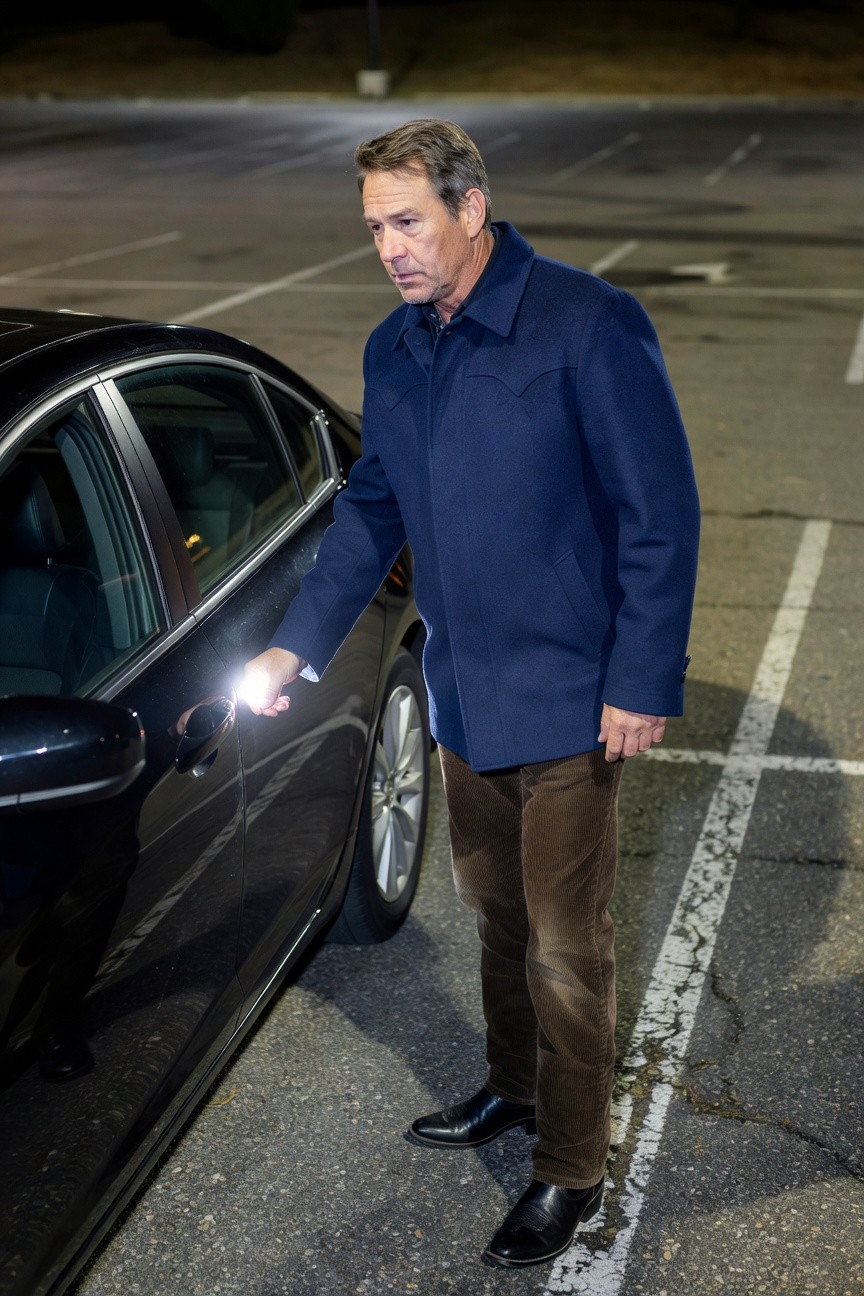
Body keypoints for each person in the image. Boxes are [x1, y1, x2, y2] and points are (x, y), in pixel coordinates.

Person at [243, 118, 700, 1269]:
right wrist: (295, 649)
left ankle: (571, 1165)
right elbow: (371, 512)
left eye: (409, 221)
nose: (390, 248)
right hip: (464, 692)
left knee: (564, 944)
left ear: (471, 209)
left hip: (573, 696)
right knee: (496, 916)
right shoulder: (395, 350)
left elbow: (660, 516)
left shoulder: (586, 325)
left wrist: (640, 680)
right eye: (374, 228)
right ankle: (512, 1087)